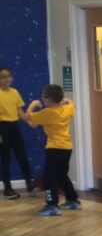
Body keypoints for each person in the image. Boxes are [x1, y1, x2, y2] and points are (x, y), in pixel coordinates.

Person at [24, 84, 77, 216]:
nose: (42, 99)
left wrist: (32, 105)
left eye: (43, 97)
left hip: (54, 148)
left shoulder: (48, 112)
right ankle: (73, 200)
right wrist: (64, 101)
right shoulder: (65, 109)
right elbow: (71, 102)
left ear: (48, 100)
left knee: (49, 177)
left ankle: (52, 205)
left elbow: (28, 117)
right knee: (61, 175)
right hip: (66, 147)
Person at [0, 67, 36, 199]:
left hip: (14, 126)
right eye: (3, 77)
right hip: (2, 127)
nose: (6, 79)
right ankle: (7, 189)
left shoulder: (14, 92)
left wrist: (30, 121)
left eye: (8, 76)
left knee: (22, 155)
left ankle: (30, 183)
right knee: (6, 159)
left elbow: (20, 113)